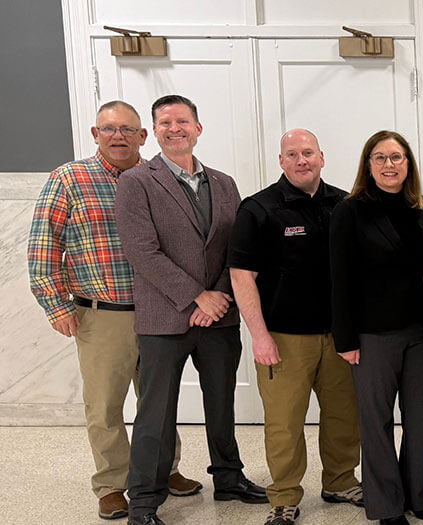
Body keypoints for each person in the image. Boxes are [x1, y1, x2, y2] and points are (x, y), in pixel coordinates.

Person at [27, 100, 201, 521]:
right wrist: (55, 304)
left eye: (127, 129)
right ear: (95, 134)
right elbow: (43, 244)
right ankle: (110, 483)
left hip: (160, 310)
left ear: (143, 136)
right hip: (103, 314)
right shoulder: (69, 179)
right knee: (105, 405)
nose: (118, 136)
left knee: (158, 400)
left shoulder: (159, 178)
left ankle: (165, 469)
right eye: (108, 129)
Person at [117, 94, 268, 525]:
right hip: (164, 319)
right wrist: (195, 296)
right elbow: (141, 251)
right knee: (155, 414)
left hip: (219, 316)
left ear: (198, 129)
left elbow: (236, 249)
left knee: (221, 403)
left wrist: (218, 294)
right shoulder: (136, 181)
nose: (175, 128)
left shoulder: (224, 183)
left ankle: (228, 477)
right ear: (154, 132)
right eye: (165, 122)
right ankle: (144, 501)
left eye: (182, 121)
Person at [228, 129, 363, 525]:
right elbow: (241, 276)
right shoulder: (258, 209)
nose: (302, 160)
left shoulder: (346, 205)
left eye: (308, 152)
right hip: (284, 339)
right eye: (293, 154)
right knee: (284, 423)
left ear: (322, 156)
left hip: (340, 337)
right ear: (281, 161)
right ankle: (284, 496)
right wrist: (259, 336)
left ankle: (340, 481)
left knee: (343, 415)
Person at [330, 130, 423, 525]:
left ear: (408, 164)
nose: (389, 164)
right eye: (380, 157)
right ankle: (386, 506)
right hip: (371, 334)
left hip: (421, 335)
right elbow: (338, 279)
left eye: (396, 157)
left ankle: (415, 497)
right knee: (376, 423)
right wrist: (345, 338)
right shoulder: (349, 211)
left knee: (420, 419)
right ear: (368, 164)